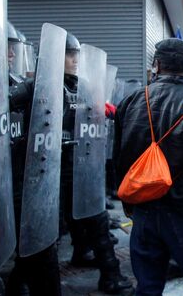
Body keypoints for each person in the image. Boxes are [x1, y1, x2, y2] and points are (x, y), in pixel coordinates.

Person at [114, 38, 183, 295]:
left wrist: (129, 205)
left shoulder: (132, 101)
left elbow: (120, 159)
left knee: (147, 287)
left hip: (143, 208)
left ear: (156, 65)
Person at [60, 32, 134, 295]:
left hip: (81, 163)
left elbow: (104, 111)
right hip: (56, 169)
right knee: (76, 220)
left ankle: (104, 269)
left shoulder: (83, 87)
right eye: (69, 54)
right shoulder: (44, 87)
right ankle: (107, 274)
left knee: (95, 219)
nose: (75, 59)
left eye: (77, 54)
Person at [6, 22, 63, 296]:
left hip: (22, 181)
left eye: (13, 48)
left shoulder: (21, 87)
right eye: (5, 48)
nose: (11, 55)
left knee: (38, 249)